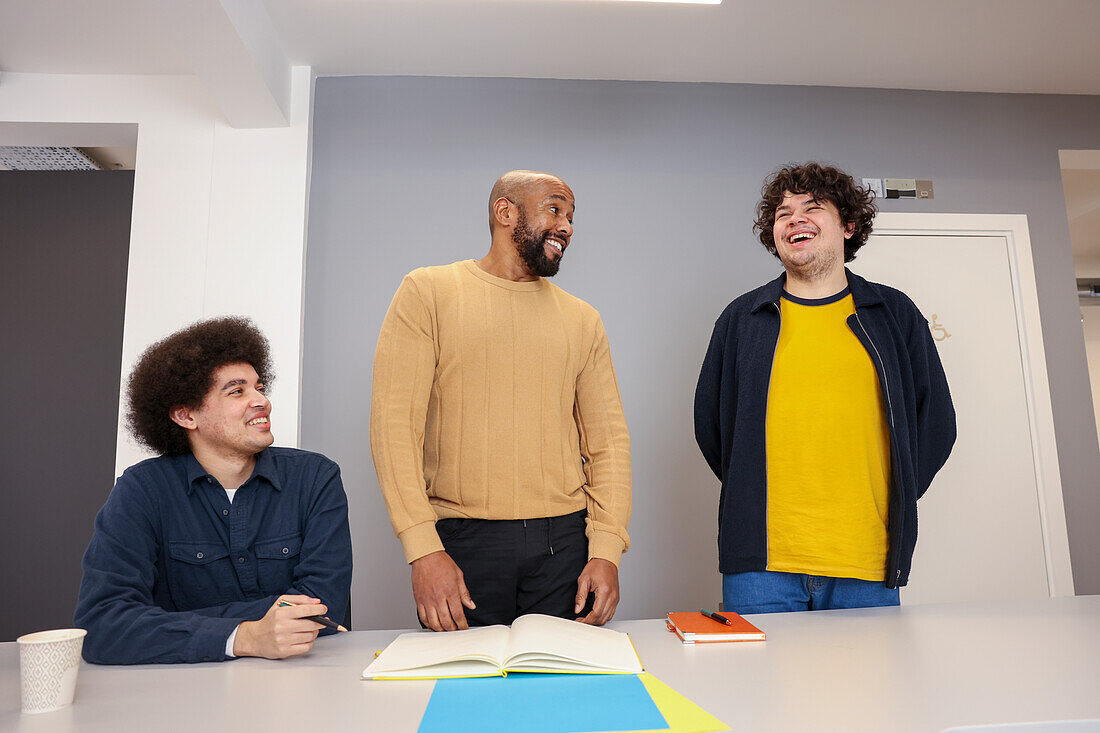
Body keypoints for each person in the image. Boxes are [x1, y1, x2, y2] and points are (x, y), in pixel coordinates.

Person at [370, 170, 631, 631]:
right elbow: (394, 431)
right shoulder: (427, 293)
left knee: (563, 697)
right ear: (505, 212)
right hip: (460, 542)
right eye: (555, 209)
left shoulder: (583, 320)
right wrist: (423, 549)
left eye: (572, 217)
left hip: (564, 544)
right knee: (465, 693)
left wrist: (607, 550)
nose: (568, 226)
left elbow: (609, 446)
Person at [694, 162, 956, 614]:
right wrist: (748, 489)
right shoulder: (742, 319)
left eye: (812, 208)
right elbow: (713, 428)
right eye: (782, 213)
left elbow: (935, 425)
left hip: (867, 561)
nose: (794, 218)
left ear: (848, 226)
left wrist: (892, 496)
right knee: (754, 687)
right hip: (760, 566)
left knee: (873, 686)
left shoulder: (893, 314)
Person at [74, 316, 353, 663]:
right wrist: (243, 636)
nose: (261, 401)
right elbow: (103, 625)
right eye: (237, 391)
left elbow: (321, 608)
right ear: (186, 416)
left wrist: (173, 625)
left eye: (260, 387)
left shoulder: (315, 478)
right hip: (185, 699)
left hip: (307, 682)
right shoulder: (141, 491)